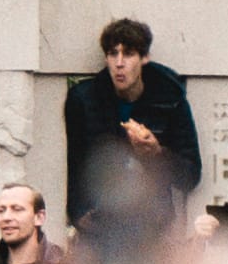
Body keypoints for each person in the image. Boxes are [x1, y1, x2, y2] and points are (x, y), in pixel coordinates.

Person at [61, 17, 204, 233]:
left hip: (150, 226)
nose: (119, 63)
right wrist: (80, 215)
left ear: (144, 58)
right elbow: (74, 164)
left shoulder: (170, 99)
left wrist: (156, 153)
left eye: (128, 54)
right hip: (99, 224)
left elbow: (191, 175)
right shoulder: (84, 100)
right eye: (112, 54)